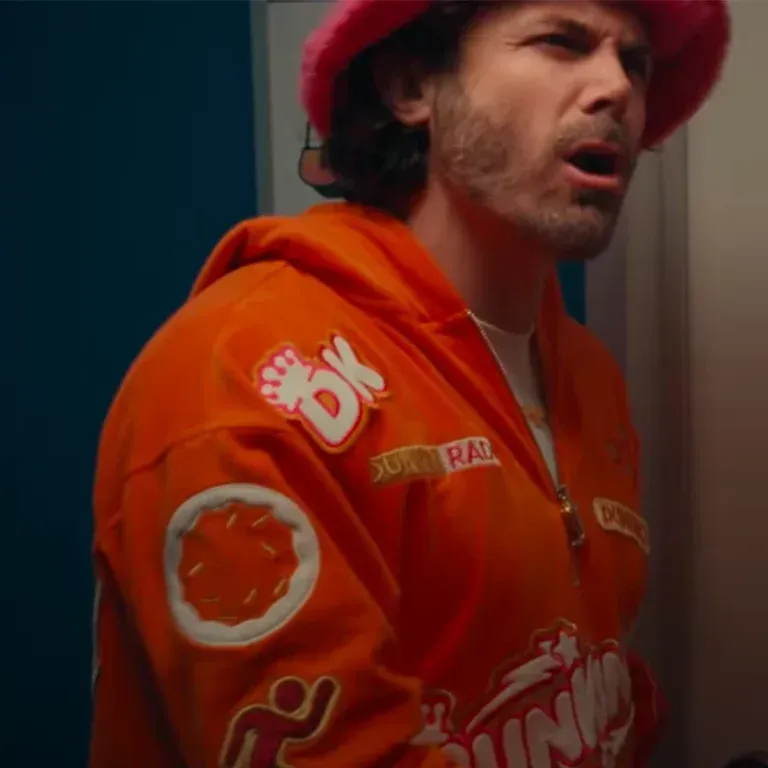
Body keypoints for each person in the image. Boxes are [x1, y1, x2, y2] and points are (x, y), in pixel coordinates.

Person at [89, 1, 730, 767]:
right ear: (410, 86)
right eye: (562, 41)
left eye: (636, 63)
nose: (618, 88)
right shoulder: (240, 377)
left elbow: (596, 688)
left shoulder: (588, 375)